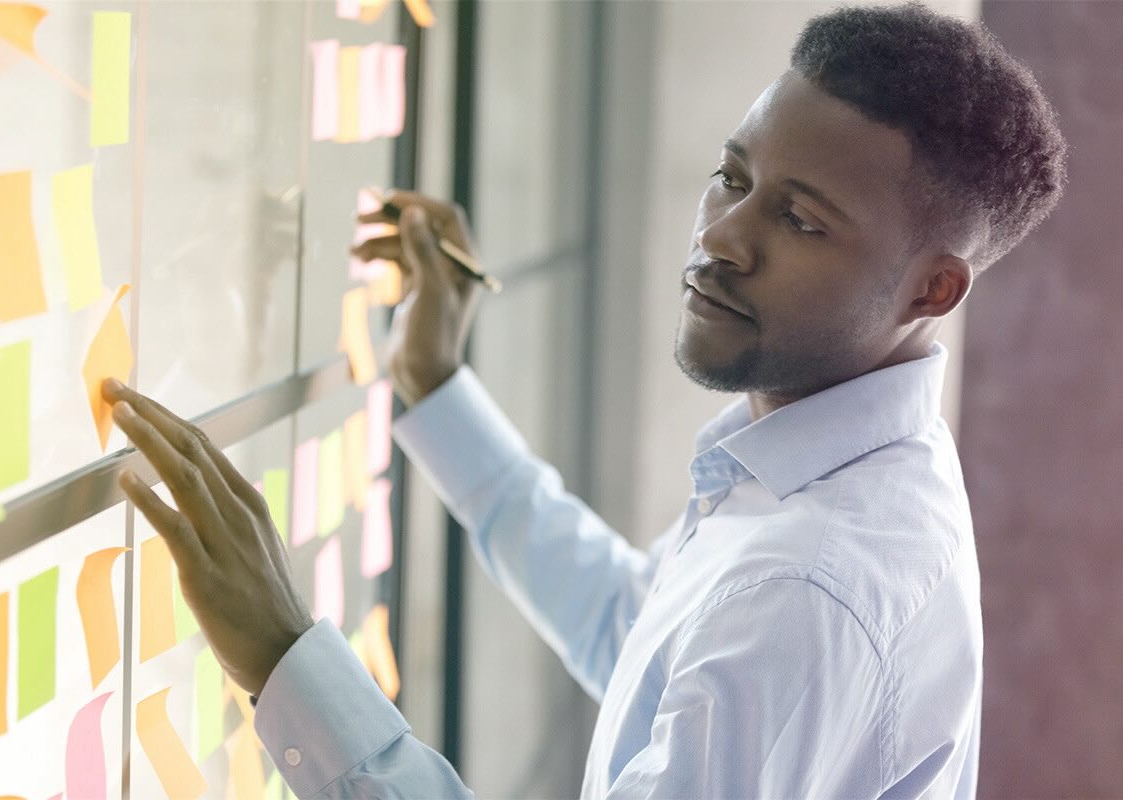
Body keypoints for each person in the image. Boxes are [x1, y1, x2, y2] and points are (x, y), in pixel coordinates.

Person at [101, 2, 1067, 797]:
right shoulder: (822, 470)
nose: (724, 236)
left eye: (801, 219)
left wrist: (281, 653)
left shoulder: (810, 586)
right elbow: (637, 636)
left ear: (930, 291)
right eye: (732, 177)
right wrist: (434, 390)